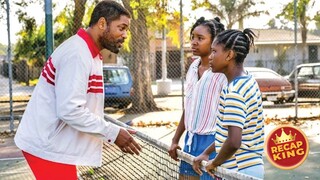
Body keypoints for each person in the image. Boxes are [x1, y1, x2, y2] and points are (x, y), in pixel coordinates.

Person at [14, 1, 141, 179]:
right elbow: (70, 110)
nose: (125, 35)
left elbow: (82, 106)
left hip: (54, 145)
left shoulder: (90, 53)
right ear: (102, 23)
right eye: (121, 28)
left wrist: (108, 131)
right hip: (46, 146)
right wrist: (112, 133)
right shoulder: (77, 53)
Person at [192, 29, 265, 179]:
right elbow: (227, 134)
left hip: (239, 171)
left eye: (214, 51)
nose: (210, 57)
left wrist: (213, 163)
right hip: (251, 168)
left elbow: (234, 141)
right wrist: (206, 152)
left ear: (229, 55)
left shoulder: (234, 92)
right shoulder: (249, 81)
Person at [168, 17, 227, 180]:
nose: (194, 42)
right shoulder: (193, 67)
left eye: (200, 38)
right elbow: (189, 106)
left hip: (213, 143)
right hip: (190, 141)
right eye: (193, 37)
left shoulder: (222, 73)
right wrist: (175, 139)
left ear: (214, 41)